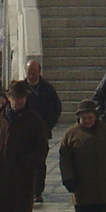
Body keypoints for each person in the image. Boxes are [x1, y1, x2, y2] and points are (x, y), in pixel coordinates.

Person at [0, 80, 52, 212]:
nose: (19, 101)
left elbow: (42, 147)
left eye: (22, 97)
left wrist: (26, 163)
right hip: (0, 175)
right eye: (16, 97)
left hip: (22, 176)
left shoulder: (34, 120)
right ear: (9, 98)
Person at [60, 100, 106, 212]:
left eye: (90, 117)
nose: (87, 121)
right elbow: (65, 159)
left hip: (103, 189)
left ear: (95, 116)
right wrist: (68, 178)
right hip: (81, 189)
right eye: (84, 118)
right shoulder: (71, 134)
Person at [23, 57, 64, 200]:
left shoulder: (47, 88)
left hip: (41, 131)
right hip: (23, 132)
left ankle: (37, 190)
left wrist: (48, 125)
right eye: (29, 72)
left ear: (39, 72)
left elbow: (57, 108)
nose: (31, 75)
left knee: (39, 161)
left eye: (34, 72)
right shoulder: (21, 87)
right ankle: (26, 189)